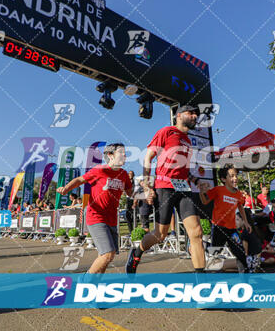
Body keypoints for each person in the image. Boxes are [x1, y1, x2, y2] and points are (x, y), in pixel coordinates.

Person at [126, 105, 209, 273]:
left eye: (196, 114)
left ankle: (202, 283)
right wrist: (148, 186)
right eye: (190, 113)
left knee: (197, 233)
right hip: (164, 187)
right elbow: (148, 158)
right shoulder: (166, 132)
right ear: (178, 115)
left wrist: (196, 181)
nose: (194, 116)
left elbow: (183, 169)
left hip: (184, 188)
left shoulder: (187, 140)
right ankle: (137, 252)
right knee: (160, 235)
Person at [57, 143, 133, 274]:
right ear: (110, 156)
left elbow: (131, 193)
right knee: (108, 254)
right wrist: (66, 189)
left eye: (125, 153)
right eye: (121, 153)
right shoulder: (99, 170)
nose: (124, 156)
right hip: (96, 216)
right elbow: (79, 179)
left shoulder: (124, 174)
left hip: (112, 218)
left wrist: (146, 193)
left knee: (106, 256)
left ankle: (94, 284)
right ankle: (85, 280)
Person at [199, 164, 253, 273]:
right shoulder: (218, 190)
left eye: (236, 176)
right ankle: (211, 278)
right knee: (214, 255)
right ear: (223, 179)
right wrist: (201, 191)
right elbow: (205, 201)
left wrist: (246, 222)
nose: (235, 178)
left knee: (241, 254)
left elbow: (240, 207)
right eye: (231, 176)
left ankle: (245, 281)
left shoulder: (238, 193)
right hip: (219, 228)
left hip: (232, 229)